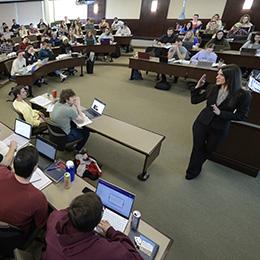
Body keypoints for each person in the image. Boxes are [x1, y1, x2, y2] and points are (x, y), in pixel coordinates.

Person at [185, 64, 252, 180]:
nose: (217, 77)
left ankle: (197, 165)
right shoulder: (213, 87)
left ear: (230, 78)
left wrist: (221, 113)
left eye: (221, 75)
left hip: (219, 128)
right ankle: (192, 171)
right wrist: (197, 87)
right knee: (197, 148)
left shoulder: (243, 95)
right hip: (202, 122)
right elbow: (194, 101)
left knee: (209, 150)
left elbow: (242, 116)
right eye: (218, 74)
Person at [42, 192, 142, 260]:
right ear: (96, 223)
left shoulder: (54, 217)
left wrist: (80, 207)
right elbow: (136, 257)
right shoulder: (103, 250)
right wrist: (111, 231)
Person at [0, 145, 49, 235]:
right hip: (15, 234)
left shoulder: (1, 171)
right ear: (35, 168)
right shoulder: (38, 198)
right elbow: (41, 223)